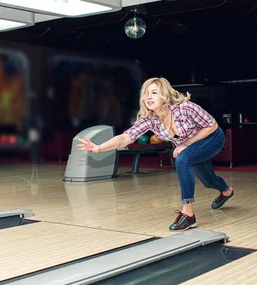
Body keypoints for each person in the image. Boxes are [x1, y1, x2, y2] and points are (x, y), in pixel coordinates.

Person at [77, 77, 234, 231]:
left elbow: (212, 125)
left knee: (182, 159)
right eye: (146, 93)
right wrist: (98, 148)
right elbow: (125, 138)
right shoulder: (150, 119)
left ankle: (188, 214)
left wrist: (185, 144)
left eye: (154, 92)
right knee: (208, 180)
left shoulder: (185, 108)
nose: (148, 97)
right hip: (189, 147)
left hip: (211, 138)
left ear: (165, 95)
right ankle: (226, 191)